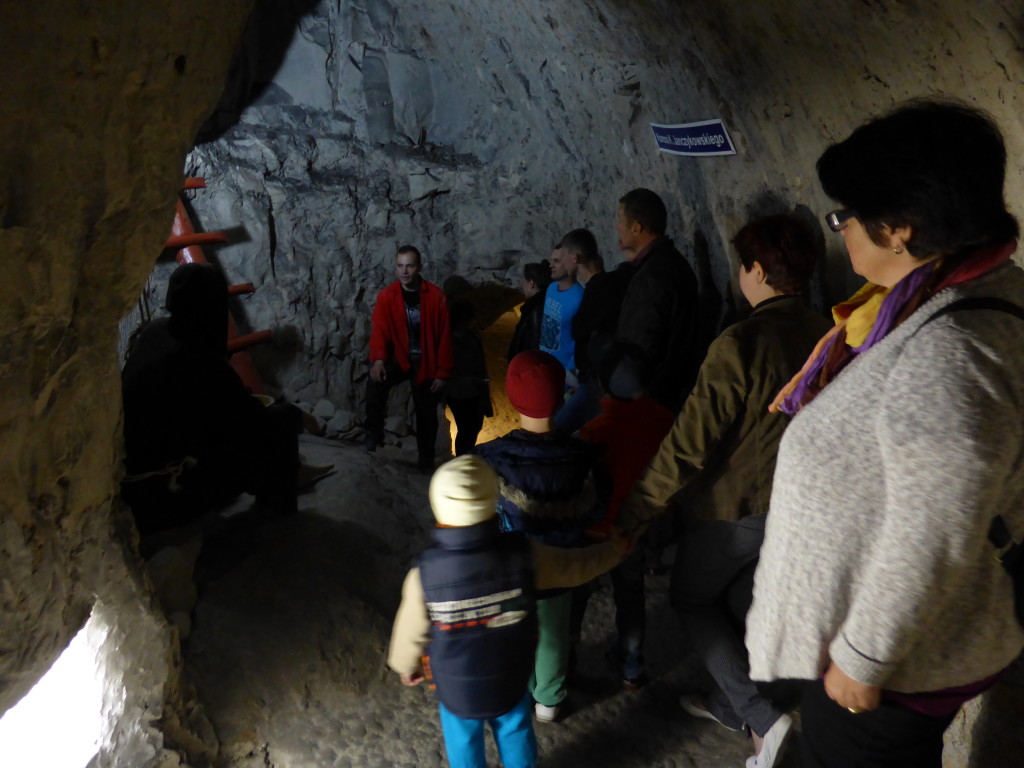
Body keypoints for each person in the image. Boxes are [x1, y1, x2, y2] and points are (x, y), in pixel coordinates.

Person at [745, 101, 1024, 768]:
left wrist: (862, 659)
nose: (839, 228)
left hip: (891, 669)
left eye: (844, 215)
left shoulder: (951, 353)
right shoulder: (951, 299)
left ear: (899, 228)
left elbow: (935, 532)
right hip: (898, 646)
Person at [617, 215, 831, 768]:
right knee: (743, 600)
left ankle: (762, 717)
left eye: (744, 265)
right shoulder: (828, 333)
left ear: (757, 270)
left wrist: (637, 510)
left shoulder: (740, 344)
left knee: (692, 596)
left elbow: (688, 445)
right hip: (800, 507)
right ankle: (731, 701)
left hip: (737, 509)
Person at [387, 455, 629, 768]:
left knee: (463, 740)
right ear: (493, 501)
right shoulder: (525, 555)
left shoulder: (425, 574)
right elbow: (575, 567)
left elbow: (410, 629)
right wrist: (614, 550)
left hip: (455, 687)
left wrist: (406, 665)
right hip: (511, 675)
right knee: (515, 730)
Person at [121, 263, 303, 532]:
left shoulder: (155, 333)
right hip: (163, 496)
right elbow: (249, 422)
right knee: (284, 420)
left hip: (132, 485)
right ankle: (279, 518)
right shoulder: (197, 359)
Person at [474, 351, 601, 721]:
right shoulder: (583, 458)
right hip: (561, 569)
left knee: (513, 632)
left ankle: (513, 689)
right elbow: (594, 509)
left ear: (512, 398)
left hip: (512, 566)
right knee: (554, 636)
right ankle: (549, 698)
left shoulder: (490, 457)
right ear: (562, 396)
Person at [603, 188, 701, 413]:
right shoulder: (675, 263)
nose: (618, 227)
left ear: (636, 228)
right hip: (674, 390)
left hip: (653, 400)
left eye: (621, 221)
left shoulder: (651, 279)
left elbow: (639, 349)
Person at [365, 245, 453, 471]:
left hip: (426, 361)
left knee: (426, 412)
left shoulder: (435, 297)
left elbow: (444, 337)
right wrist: (378, 360)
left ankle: (426, 459)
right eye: (400, 266)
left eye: (409, 266)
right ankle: (373, 436)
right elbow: (380, 331)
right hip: (401, 357)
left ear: (419, 267)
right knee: (375, 384)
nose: (404, 271)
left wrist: (442, 373)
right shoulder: (387, 296)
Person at [553, 230, 632, 435]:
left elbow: (585, 333)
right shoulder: (608, 285)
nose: (559, 265)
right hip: (602, 379)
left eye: (562, 259)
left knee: (559, 432)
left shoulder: (598, 291)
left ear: (575, 258)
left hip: (598, 382)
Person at [446, 297, 491, 455]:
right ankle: (462, 458)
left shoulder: (471, 334)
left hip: (473, 389)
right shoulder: (451, 340)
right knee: (467, 428)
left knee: (472, 427)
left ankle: (465, 456)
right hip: (460, 392)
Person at [539, 238, 585, 378]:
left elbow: (581, 340)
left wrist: (569, 372)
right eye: (551, 260)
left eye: (557, 261)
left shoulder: (580, 298)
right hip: (543, 363)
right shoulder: (551, 289)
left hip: (563, 371)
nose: (551, 265)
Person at [507, 261, 551, 361]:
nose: (523, 285)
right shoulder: (544, 303)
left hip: (529, 366)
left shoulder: (535, 309)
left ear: (531, 283)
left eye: (524, 281)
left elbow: (533, 342)